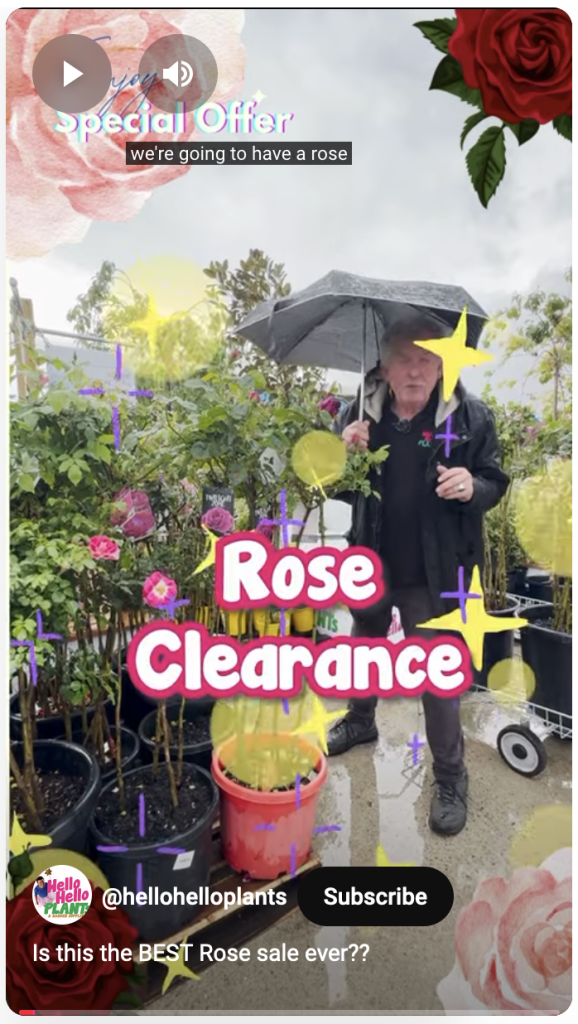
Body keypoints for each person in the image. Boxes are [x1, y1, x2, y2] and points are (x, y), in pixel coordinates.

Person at [327, 311, 509, 836]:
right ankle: (361, 722)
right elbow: (333, 489)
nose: (416, 370)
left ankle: (451, 777)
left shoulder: (470, 417)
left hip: (436, 574)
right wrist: (344, 458)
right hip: (372, 562)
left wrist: (472, 487)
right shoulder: (357, 415)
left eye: (428, 360)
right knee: (363, 644)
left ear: (441, 366)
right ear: (383, 364)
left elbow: (496, 480)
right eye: (405, 359)